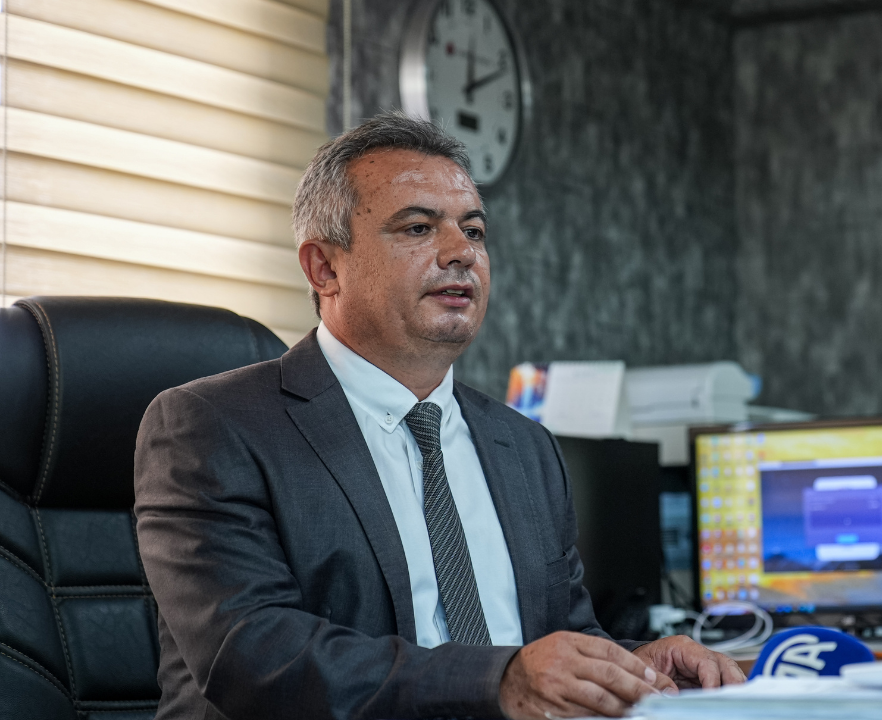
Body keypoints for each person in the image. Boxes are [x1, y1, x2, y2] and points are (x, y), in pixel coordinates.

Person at [133, 112, 745, 720]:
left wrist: (636, 666)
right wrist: (496, 683)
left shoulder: (525, 445)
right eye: (419, 227)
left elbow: (560, 638)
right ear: (325, 268)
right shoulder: (211, 427)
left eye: (474, 230)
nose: (462, 253)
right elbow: (257, 658)